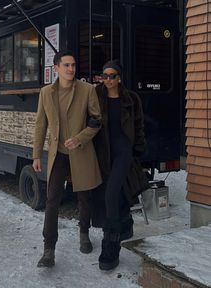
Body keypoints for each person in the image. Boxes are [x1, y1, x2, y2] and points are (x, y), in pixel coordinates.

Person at [32, 50, 102, 267]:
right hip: (57, 154)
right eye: (67, 65)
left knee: (84, 197)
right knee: (52, 199)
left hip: (81, 151)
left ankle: (84, 233)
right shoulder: (46, 92)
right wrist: (36, 154)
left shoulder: (87, 90)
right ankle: (48, 250)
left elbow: (97, 120)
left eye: (73, 65)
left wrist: (80, 138)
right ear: (56, 68)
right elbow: (40, 125)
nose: (71, 69)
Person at [93, 60, 148, 271]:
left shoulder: (131, 98)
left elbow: (139, 125)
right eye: (104, 75)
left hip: (125, 152)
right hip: (104, 153)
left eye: (112, 75)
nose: (108, 79)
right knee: (113, 192)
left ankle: (110, 246)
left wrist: (139, 149)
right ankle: (125, 225)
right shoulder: (96, 96)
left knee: (111, 194)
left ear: (119, 78)